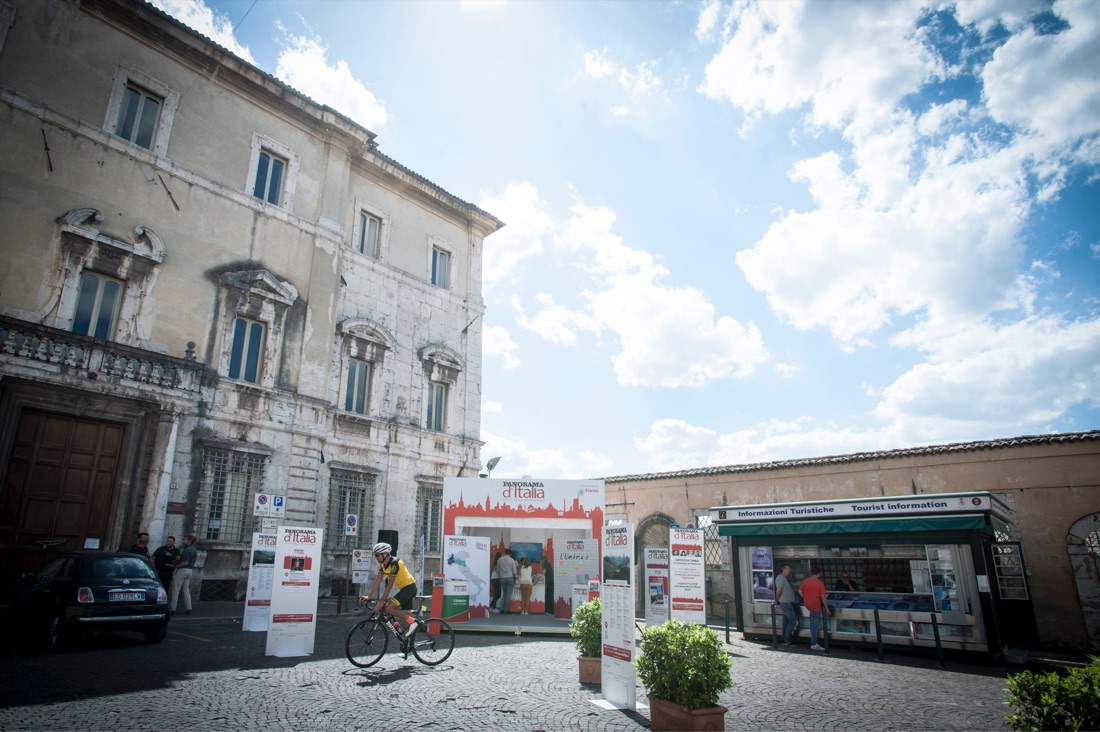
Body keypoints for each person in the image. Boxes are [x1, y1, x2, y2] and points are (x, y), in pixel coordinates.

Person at [359, 542, 419, 637]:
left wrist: (382, 601)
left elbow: (390, 584)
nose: (376, 557)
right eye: (375, 555)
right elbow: (378, 580)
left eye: (377, 555)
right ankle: (409, 643)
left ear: (385, 554)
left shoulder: (395, 563)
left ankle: (414, 622)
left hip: (409, 587)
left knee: (388, 608)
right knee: (408, 613)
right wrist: (369, 596)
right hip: (404, 588)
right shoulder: (383, 565)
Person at [799, 565, 831, 651]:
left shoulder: (805, 581)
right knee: (814, 625)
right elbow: (823, 597)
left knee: (813, 623)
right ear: (819, 574)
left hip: (807, 604)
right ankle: (814, 643)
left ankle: (814, 642)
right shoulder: (819, 583)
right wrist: (827, 608)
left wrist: (805, 597)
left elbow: (800, 591)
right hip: (816, 605)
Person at [169, 535, 197, 615]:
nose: (184, 541)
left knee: (175, 589)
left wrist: (175, 566)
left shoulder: (187, 550)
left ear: (189, 541)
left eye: (185, 539)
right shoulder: (194, 549)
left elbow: (185, 562)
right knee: (186, 590)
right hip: (189, 570)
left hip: (183, 570)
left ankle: (172, 609)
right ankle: (189, 608)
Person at [773, 564, 797, 645]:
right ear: (783, 569)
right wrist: (777, 600)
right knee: (793, 620)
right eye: (788, 569)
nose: (790, 570)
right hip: (785, 602)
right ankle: (786, 639)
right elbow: (778, 590)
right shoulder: (780, 578)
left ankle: (784, 638)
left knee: (786, 621)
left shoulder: (783, 578)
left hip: (786, 602)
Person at [495, 549, 518, 615]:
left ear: (505, 553)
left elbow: (497, 570)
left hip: (502, 578)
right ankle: (506, 610)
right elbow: (514, 571)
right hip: (510, 578)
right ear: (510, 554)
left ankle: (501, 609)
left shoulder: (500, 559)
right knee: (508, 595)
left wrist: (500, 576)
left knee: (504, 594)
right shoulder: (512, 560)